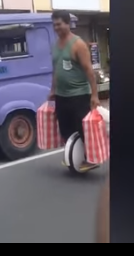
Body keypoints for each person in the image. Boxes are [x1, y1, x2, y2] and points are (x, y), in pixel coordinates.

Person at [49, 10, 100, 170]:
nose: (56, 28)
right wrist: (52, 90)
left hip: (79, 95)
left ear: (67, 23)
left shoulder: (78, 44)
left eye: (59, 24)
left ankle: (91, 159)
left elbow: (89, 70)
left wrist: (94, 94)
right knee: (66, 128)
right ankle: (74, 156)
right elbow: (56, 70)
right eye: (54, 25)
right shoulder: (56, 45)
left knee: (82, 128)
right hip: (61, 95)